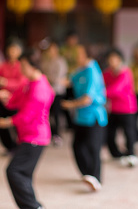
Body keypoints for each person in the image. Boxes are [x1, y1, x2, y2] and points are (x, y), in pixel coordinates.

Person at [0, 52, 54, 209]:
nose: (20, 68)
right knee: (23, 174)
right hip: (27, 136)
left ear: (32, 66)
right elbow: (17, 101)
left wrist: (7, 122)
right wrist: (6, 98)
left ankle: (33, 206)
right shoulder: (29, 83)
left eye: (23, 65)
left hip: (35, 137)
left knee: (14, 171)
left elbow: (27, 115)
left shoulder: (40, 88)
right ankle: (34, 206)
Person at [61, 45, 107, 192]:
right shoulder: (80, 70)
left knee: (93, 148)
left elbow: (88, 98)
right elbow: (67, 81)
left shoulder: (92, 71)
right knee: (77, 147)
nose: (77, 56)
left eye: (79, 53)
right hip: (80, 117)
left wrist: (70, 104)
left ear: (88, 54)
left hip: (93, 117)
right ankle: (88, 175)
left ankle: (95, 178)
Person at [0, 38, 28, 153]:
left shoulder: (22, 65)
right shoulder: (4, 64)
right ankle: (9, 146)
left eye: (15, 50)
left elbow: (22, 82)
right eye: (11, 50)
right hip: (2, 98)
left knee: (17, 124)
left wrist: (5, 82)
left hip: (16, 98)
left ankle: (21, 146)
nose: (12, 53)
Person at [102, 48, 138, 167]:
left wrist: (98, 94)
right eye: (110, 59)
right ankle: (116, 154)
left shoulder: (125, 72)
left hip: (127, 108)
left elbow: (116, 90)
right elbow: (100, 81)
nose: (112, 61)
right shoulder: (108, 72)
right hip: (114, 109)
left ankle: (131, 155)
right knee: (110, 133)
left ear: (119, 59)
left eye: (114, 59)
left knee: (129, 133)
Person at [40, 41, 68, 146]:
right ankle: (49, 133)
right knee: (46, 114)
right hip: (46, 91)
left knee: (56, 114)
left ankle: (57, 135)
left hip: (57, 91)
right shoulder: (45, 61)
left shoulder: (60, 61)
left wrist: (46, 78)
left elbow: (58, 78)